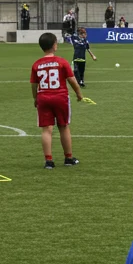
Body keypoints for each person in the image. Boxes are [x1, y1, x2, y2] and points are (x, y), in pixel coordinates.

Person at [30, 31, 86, 169]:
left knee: (46, 129)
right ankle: (68, 158)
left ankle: (49, 161)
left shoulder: (36, 64)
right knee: (64, 126)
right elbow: (72, 80)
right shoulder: (61, 62)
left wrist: (35, 98)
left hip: (43, 97)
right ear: (55, 45)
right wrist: (79, 94)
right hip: (60, 97)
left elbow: (33, 84)